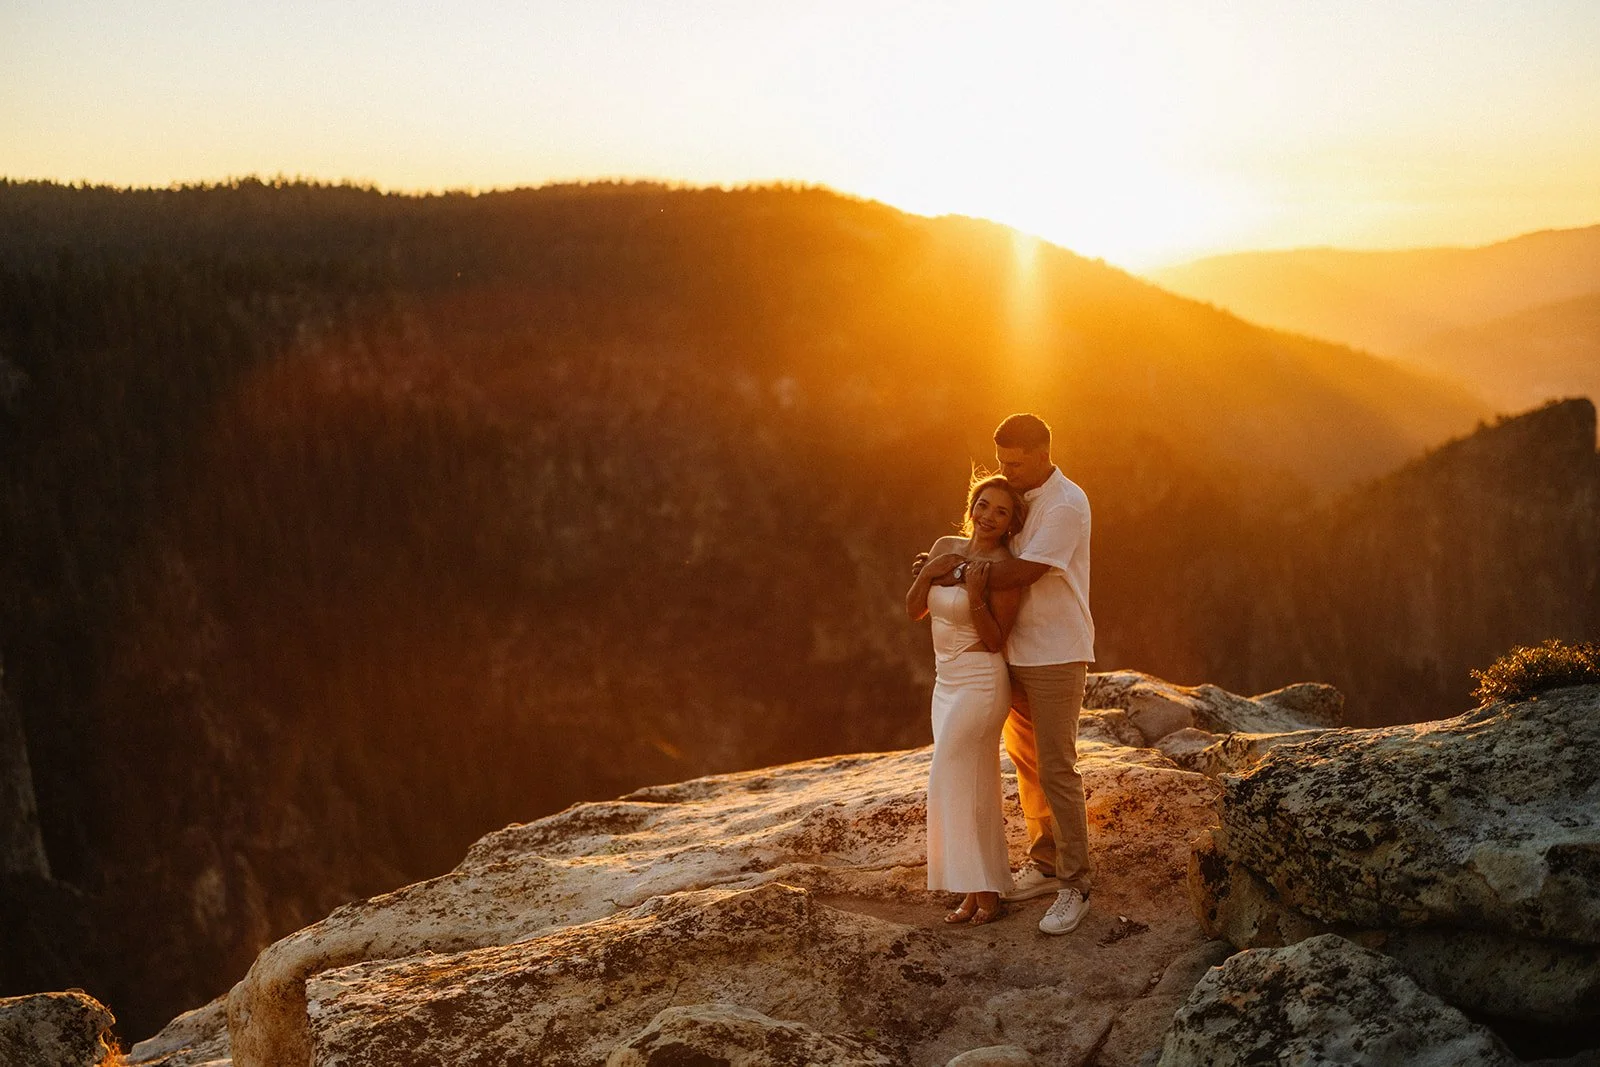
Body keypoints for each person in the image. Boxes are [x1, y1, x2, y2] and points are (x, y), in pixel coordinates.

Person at [923, 414, 1095, 936]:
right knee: (1027, 765)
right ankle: (1045, 864)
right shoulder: (1019, 498)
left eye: (1015, 464)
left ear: (1043, 455)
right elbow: (987, 548)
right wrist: (947, 563)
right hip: (1009, 652)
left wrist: (949, 570)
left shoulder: (1066, 504)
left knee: (1057, 766)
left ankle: (1076, 884)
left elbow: (1023, 572)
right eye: (1002, 462)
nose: (1006, 471)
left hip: (1056, 653)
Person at [906, 475, 1026, 926]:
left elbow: (996, 640)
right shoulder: (945, 547)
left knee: (949, 777)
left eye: (1001, 511)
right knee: (969, 785)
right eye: (983, 504)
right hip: (946, 683)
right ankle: (979, 891)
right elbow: (914, 609)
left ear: (1011, 523)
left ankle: (985, 889)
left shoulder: (1005, 569)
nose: (989, 516)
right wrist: (929, 572)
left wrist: (976, 596)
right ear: (972, 506)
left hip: (980, 683)